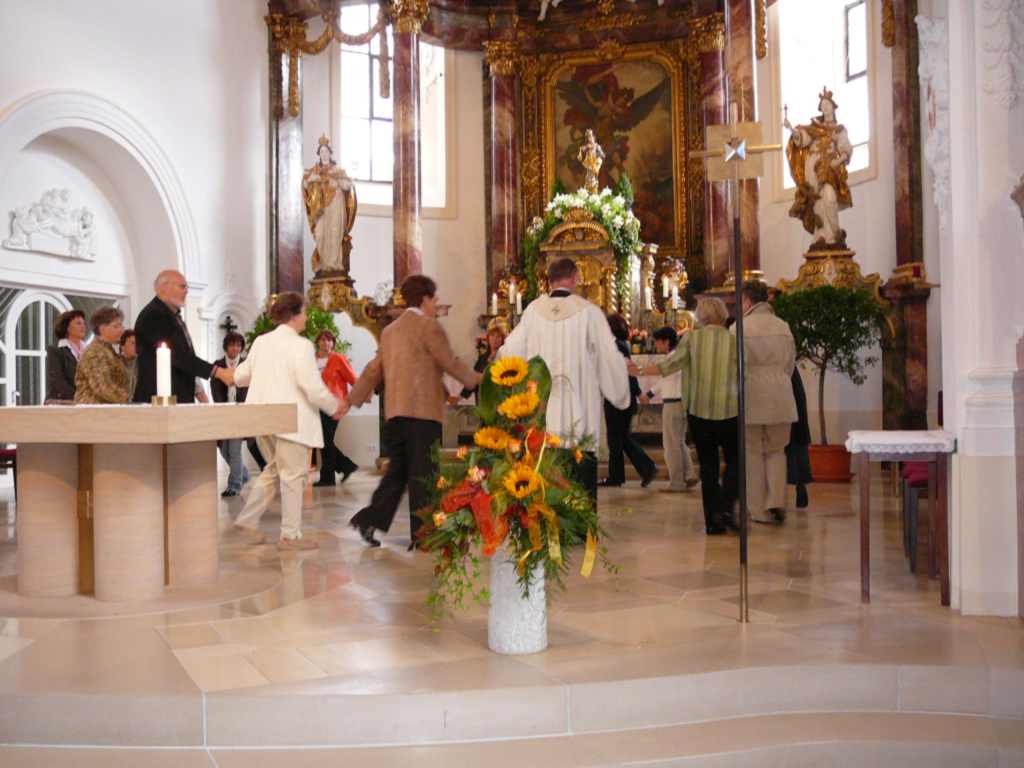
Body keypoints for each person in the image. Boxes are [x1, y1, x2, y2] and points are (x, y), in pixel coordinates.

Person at [347, 275, 481, 549]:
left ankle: (369, 519)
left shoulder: (390, 331)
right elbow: (449, 362)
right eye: (434, 298)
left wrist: (352, 398)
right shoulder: (429, 327)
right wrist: (481, 379)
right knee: (423, 475)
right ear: (424, 299)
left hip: (395, 413)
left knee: (397, 473)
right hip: (422, 414)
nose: (436, 303)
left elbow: (375, 369)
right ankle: (425, 536)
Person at [499, 258, 630, 505]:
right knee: (581, 484)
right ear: (574, 278)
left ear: (549, 281)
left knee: (547, 486)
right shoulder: (590, 313)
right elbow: (608, 357)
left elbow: (509, 353)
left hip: (544, 419)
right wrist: (620, 395)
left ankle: (551, 522)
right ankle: (583, 521)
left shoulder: (533, 312)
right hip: (581, 417)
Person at [232, 292, 345, 550]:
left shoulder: (261, 342)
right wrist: (333, 406)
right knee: (294, 475)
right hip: (290, 419)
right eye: (304, 312)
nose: (306, 317)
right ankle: (290, 536)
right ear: (294, 315)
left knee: (274, 470)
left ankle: (247, 521)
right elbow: (310, 385)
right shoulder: (300, 345)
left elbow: (240, 376)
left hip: (263, 418)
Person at [634, 297, 737, 535]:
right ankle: (726, 506)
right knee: (734, 461)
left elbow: (670, 365)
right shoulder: (734, 339)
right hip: (730, 409)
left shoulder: (692, 338)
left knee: (708, 466)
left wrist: (639, 370)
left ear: (700, 316)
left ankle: (712, 522)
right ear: (722, 314)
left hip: (699, 410)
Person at [736, 282, 797, 525]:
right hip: (781, 394)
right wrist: (778, 379)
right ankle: (776, 502)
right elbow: (790, 364)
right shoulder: (783, 326)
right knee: (777, 450)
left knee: (751, 452)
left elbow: (734, 365)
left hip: (751, 395)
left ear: (747, 301)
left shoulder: (740, 327)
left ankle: (758, 509)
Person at [133, 270, 232, 403]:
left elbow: (185, 355)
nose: (186, 291)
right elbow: (178, 356)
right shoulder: (154, 315)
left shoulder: (171, 314)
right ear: (163, 288)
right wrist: (217, 372)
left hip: (178, 396)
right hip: (158, 399)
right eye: (182, 286)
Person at [784, 87, 854, 247]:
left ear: (833, 107)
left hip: (828, 169)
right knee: (816, 201)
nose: (825, 107)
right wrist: (791, 129)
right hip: (812, 170)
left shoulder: (838, 129)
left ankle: (834, 234)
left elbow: (846, 147)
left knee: (829, 196)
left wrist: (837, 162)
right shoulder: (815, 127)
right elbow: (802, 139)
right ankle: (820, 235)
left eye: (828, 104)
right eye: (822, 105)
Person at [601, 313, 656, 488]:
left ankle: (643, 468)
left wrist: (637, 392)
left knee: (617, 439)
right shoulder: (621, 344)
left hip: (618, 398)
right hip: (622, 396)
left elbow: (628, 372)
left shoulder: (616, 346)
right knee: (620, 439)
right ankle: (631, 472)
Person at [642, 326, 698, 493]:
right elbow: (665, 380)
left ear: (666, 342)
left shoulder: (673, 358)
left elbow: (663, 376)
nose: (656, 345)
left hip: (673, 403)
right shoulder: (677, 357)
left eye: (658, 342)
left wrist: (638, 372)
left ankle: (676, 482)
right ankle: (689, 475)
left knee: (671, 444)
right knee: (679, 442)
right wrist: (650, 394)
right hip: (679, 402)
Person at [313, 329, 358, 486]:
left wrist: (354, 400)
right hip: (315, 405)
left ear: (333, 343)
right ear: (317, 342)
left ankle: (329, 477)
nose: (326, 342)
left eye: (329, 340)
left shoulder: (338, 359)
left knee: (324, 440)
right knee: (322, 441)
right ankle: (346, 467)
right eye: (323, 339)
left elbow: (353, 379)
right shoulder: (311, 360)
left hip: (333, 405)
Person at [210, 331, 251, 498]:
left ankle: (234, 485)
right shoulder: (218, 365)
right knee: (224, 449)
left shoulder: (246, 364)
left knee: (234, 450)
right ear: (226, 347)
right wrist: (223, 408)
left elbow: (249, 388)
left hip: (240, 413)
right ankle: (244, 474)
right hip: (223, 412)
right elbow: (215, 389)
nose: (235, 348)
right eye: (232, 345)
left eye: (238, 345)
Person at [74, 307, 131, 404]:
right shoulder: (95, 352)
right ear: (102, 329)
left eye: (121, 326)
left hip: (106, 409)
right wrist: (128, 400)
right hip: (94, 410)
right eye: (116, 326)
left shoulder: (107, 350)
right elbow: (102, 387)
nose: (122, 330)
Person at [449, 319, 507, 404]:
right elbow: (473, 380)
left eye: (499, 336)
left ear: (503, 339)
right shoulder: (482, 358)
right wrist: (458, 398)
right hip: (481, 403)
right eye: (492, 335)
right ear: (488, 337)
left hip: (499, 403)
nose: (495, 339)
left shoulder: (505, 357)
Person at [45, 309, 87, 403]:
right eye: (78, 323)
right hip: (61, 402)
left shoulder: (89, 351)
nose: (83, 326)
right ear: (67, 327)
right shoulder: (56, 351)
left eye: (84, 323)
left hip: (85, 403)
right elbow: (58, 381)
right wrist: (79, 398)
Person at [786, 367, 813, 509]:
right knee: (797, 441)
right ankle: (800, 485)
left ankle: (799, 486)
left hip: (781, 390)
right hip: (792, 389)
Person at [120, 329, 138, 399]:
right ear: (122, 346)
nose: (136, 346)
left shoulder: (141, 363)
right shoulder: (115, 362)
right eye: (133, 343)